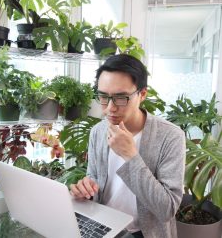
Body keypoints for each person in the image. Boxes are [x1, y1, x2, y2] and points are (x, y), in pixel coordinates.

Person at [70, 54, 186, 238]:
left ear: (142, 94)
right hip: (103, 227)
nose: (110, 108)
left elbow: (167, 209)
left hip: (145, 233)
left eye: (121, 97)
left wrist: (131, 156)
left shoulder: (170, 136)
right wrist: (86, 190)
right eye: (103, 96)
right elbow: (94, 177)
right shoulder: (98, 132)